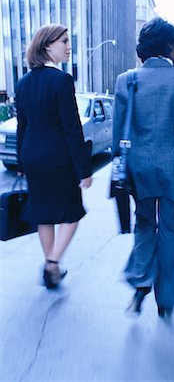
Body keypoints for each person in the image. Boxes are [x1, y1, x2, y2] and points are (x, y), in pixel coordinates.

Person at [113, 17, 174, 317]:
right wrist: (172, 135)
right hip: (171, 168)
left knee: (144, 223)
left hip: (138, 169)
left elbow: (118, 137)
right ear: (169, 46)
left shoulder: (126, 81)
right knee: (171, 229)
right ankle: (167, 298)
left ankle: (141, 281)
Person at [16, 24, 93, 289]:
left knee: (44, 215)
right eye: (64, 41)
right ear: (48, 46)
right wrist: (84, 170)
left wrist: (20, 162)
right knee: (72, 214)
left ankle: (52, 266)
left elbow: (22, 127)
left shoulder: (23, 83)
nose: (68, 46)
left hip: (33, 159)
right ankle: (52, 262)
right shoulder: (62, 81)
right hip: (58, 160)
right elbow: (72, 128)